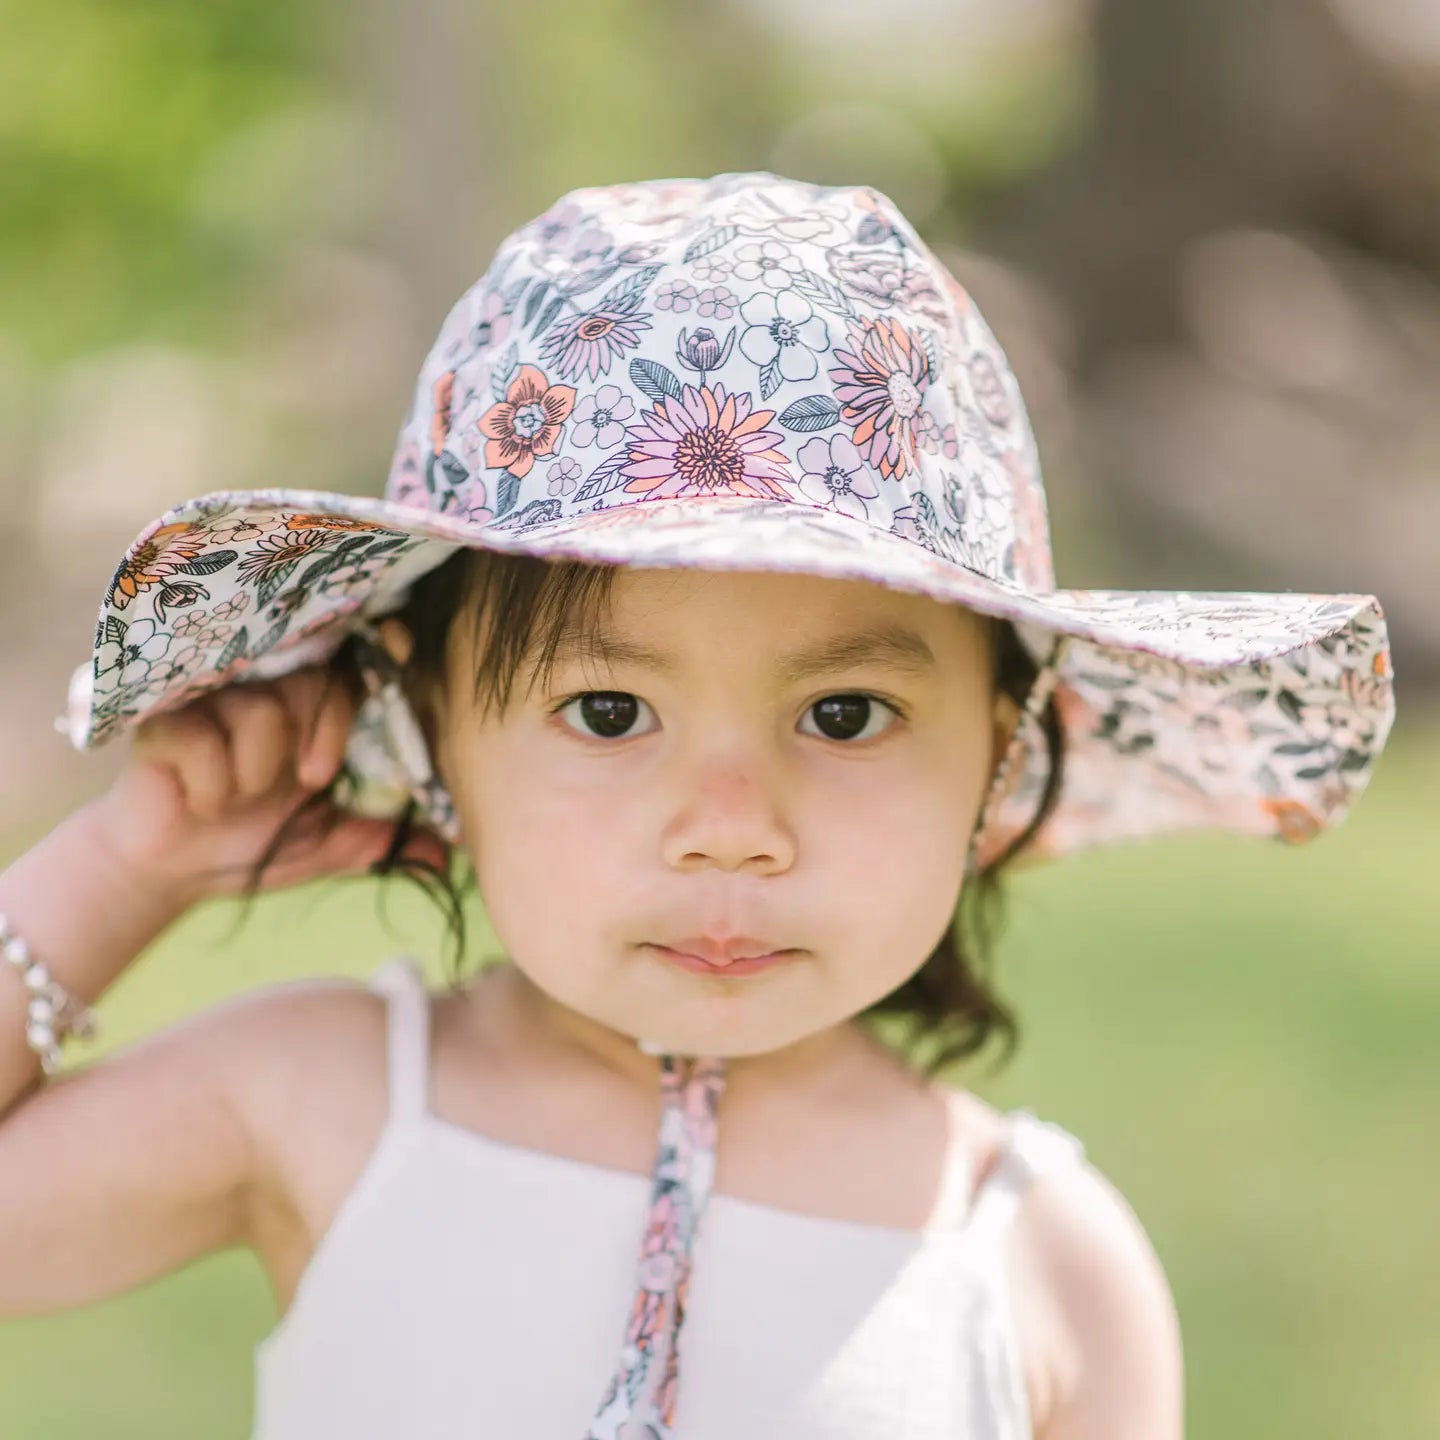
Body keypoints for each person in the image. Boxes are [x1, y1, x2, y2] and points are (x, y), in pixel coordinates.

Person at [0, 171, 1395, 1439]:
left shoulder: (1042, 1267)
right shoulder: (331, 1100)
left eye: (843, 716)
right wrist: (126, 867)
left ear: (1002, 748)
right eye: (609, 714)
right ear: (432, 731)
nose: (731, 823)